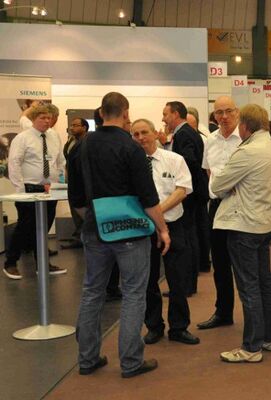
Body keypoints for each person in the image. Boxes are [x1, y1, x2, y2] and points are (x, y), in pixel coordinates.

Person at [70, 92, 170, 378]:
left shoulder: (81, 146)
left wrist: (93, 218)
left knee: (92, 292)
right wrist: (162, 228)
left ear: (101, 113)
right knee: (134, 293)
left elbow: (76, 196)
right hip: (131, 231)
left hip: (94, 229)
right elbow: (148, 197)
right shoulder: (131, 148)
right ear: (126, 113)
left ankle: (87, 359)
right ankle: (131, 361)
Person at [211, 104, 271, 363]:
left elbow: (217, 185)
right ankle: (270, 338)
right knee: (265, 283)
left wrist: (233, 185)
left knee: (249, 287)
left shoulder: (247, 151)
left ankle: (251, 347)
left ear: (245, 126)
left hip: (244, 226)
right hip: (264, 223)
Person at [130, 119, 200, 346]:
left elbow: (182, 190)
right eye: (136, 134)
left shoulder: (174, 159)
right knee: (148, 280)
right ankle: (154, 326)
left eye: (144, 132)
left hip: (173, 225)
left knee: (177, 279)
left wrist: (157, 212)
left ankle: (179, 327)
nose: (141, 138)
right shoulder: (129, 164)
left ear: (155, 133)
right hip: (144, 229)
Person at [4, 104, 66, 280]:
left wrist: (60, 182)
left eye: (49, 118)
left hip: (50, 190)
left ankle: (43, 265)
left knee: (43, 228)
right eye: (42, 118)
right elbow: (14, 163)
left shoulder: (54, 136)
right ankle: (10, 263)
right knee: (25, 227)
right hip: (29, 189)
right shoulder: (23, 138)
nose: (47, 121)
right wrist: (20, 190)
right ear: (33, 119)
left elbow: (60, 160)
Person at [197, 96, 242, 330]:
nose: (224, 117)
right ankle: (223, 312)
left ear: (237, 112)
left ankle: (254, 316)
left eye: (228, 111)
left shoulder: (246, 139)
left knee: (243, 264)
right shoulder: (210, 140)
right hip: (216, 207)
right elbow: (208, 171)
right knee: (220, 263)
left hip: (241, 206)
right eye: (219, 113)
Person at [163, 101, 208, 295]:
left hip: (189, 194)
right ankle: (187, 283)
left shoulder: (184, 134)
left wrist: (177, 177)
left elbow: (189, 161)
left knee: (188, 238)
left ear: (175, 114)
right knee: (191, 236)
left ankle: (186, 285)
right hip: (193, 192)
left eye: (165, 114)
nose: (163, 119)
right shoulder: (186, 132)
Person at [186, 106, 212, 273]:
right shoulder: (201, 138)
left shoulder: (202, 139)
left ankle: (202, 261)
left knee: (200, 225)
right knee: (199, 225)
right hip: (197, 188)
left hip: (199, 189)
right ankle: (201, 260)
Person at [61, 117, 90, 249]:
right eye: (71, 125)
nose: (72, 128)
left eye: (76, 125)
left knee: (83, 209)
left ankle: (85, 237)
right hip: (73, 182)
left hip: (84, 183)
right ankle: (79, 236)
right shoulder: (70, 142)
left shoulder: (89, 142)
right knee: (74, 209)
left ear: (84, 127)